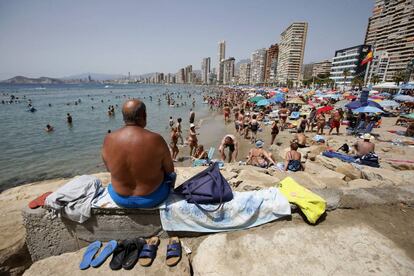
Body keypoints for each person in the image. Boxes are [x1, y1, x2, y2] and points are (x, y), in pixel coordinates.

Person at [101, 100, 175, 208]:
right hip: (152, 198)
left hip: (119, 198)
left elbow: (109, 169)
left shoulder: (108, 139)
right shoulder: (156, 139)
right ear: (144, 115)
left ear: (123, 117)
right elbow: (170, 170)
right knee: (171, 176)